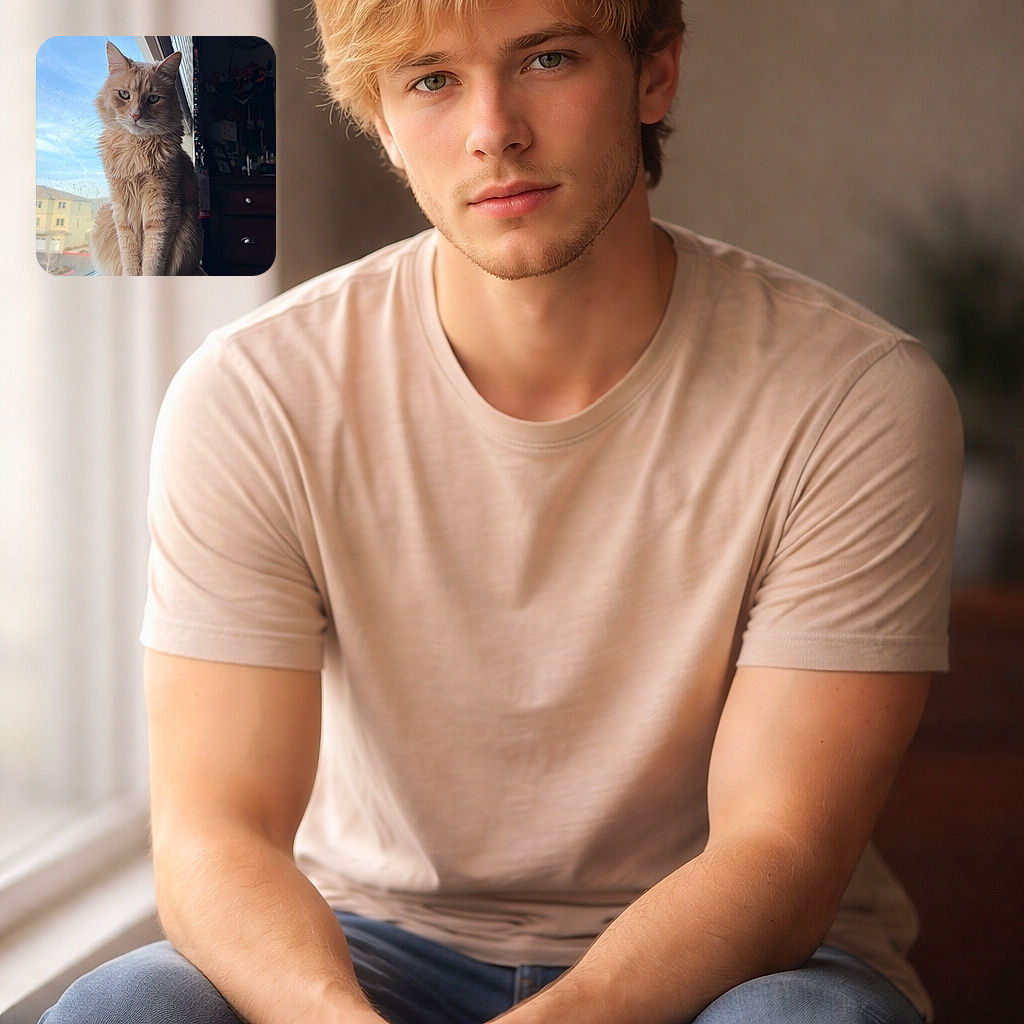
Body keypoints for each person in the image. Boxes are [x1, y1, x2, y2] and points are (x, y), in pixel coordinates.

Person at [42, 1, 963, 1022]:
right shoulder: (255, 391)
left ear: (653, 74)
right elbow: (220, 829)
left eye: (548, 59)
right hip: (366, 942)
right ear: (381, 123)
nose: (494, 130)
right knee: (123, 1005)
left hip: (733, 964)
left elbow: (778, 849)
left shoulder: (851, 393)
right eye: (430, 80)